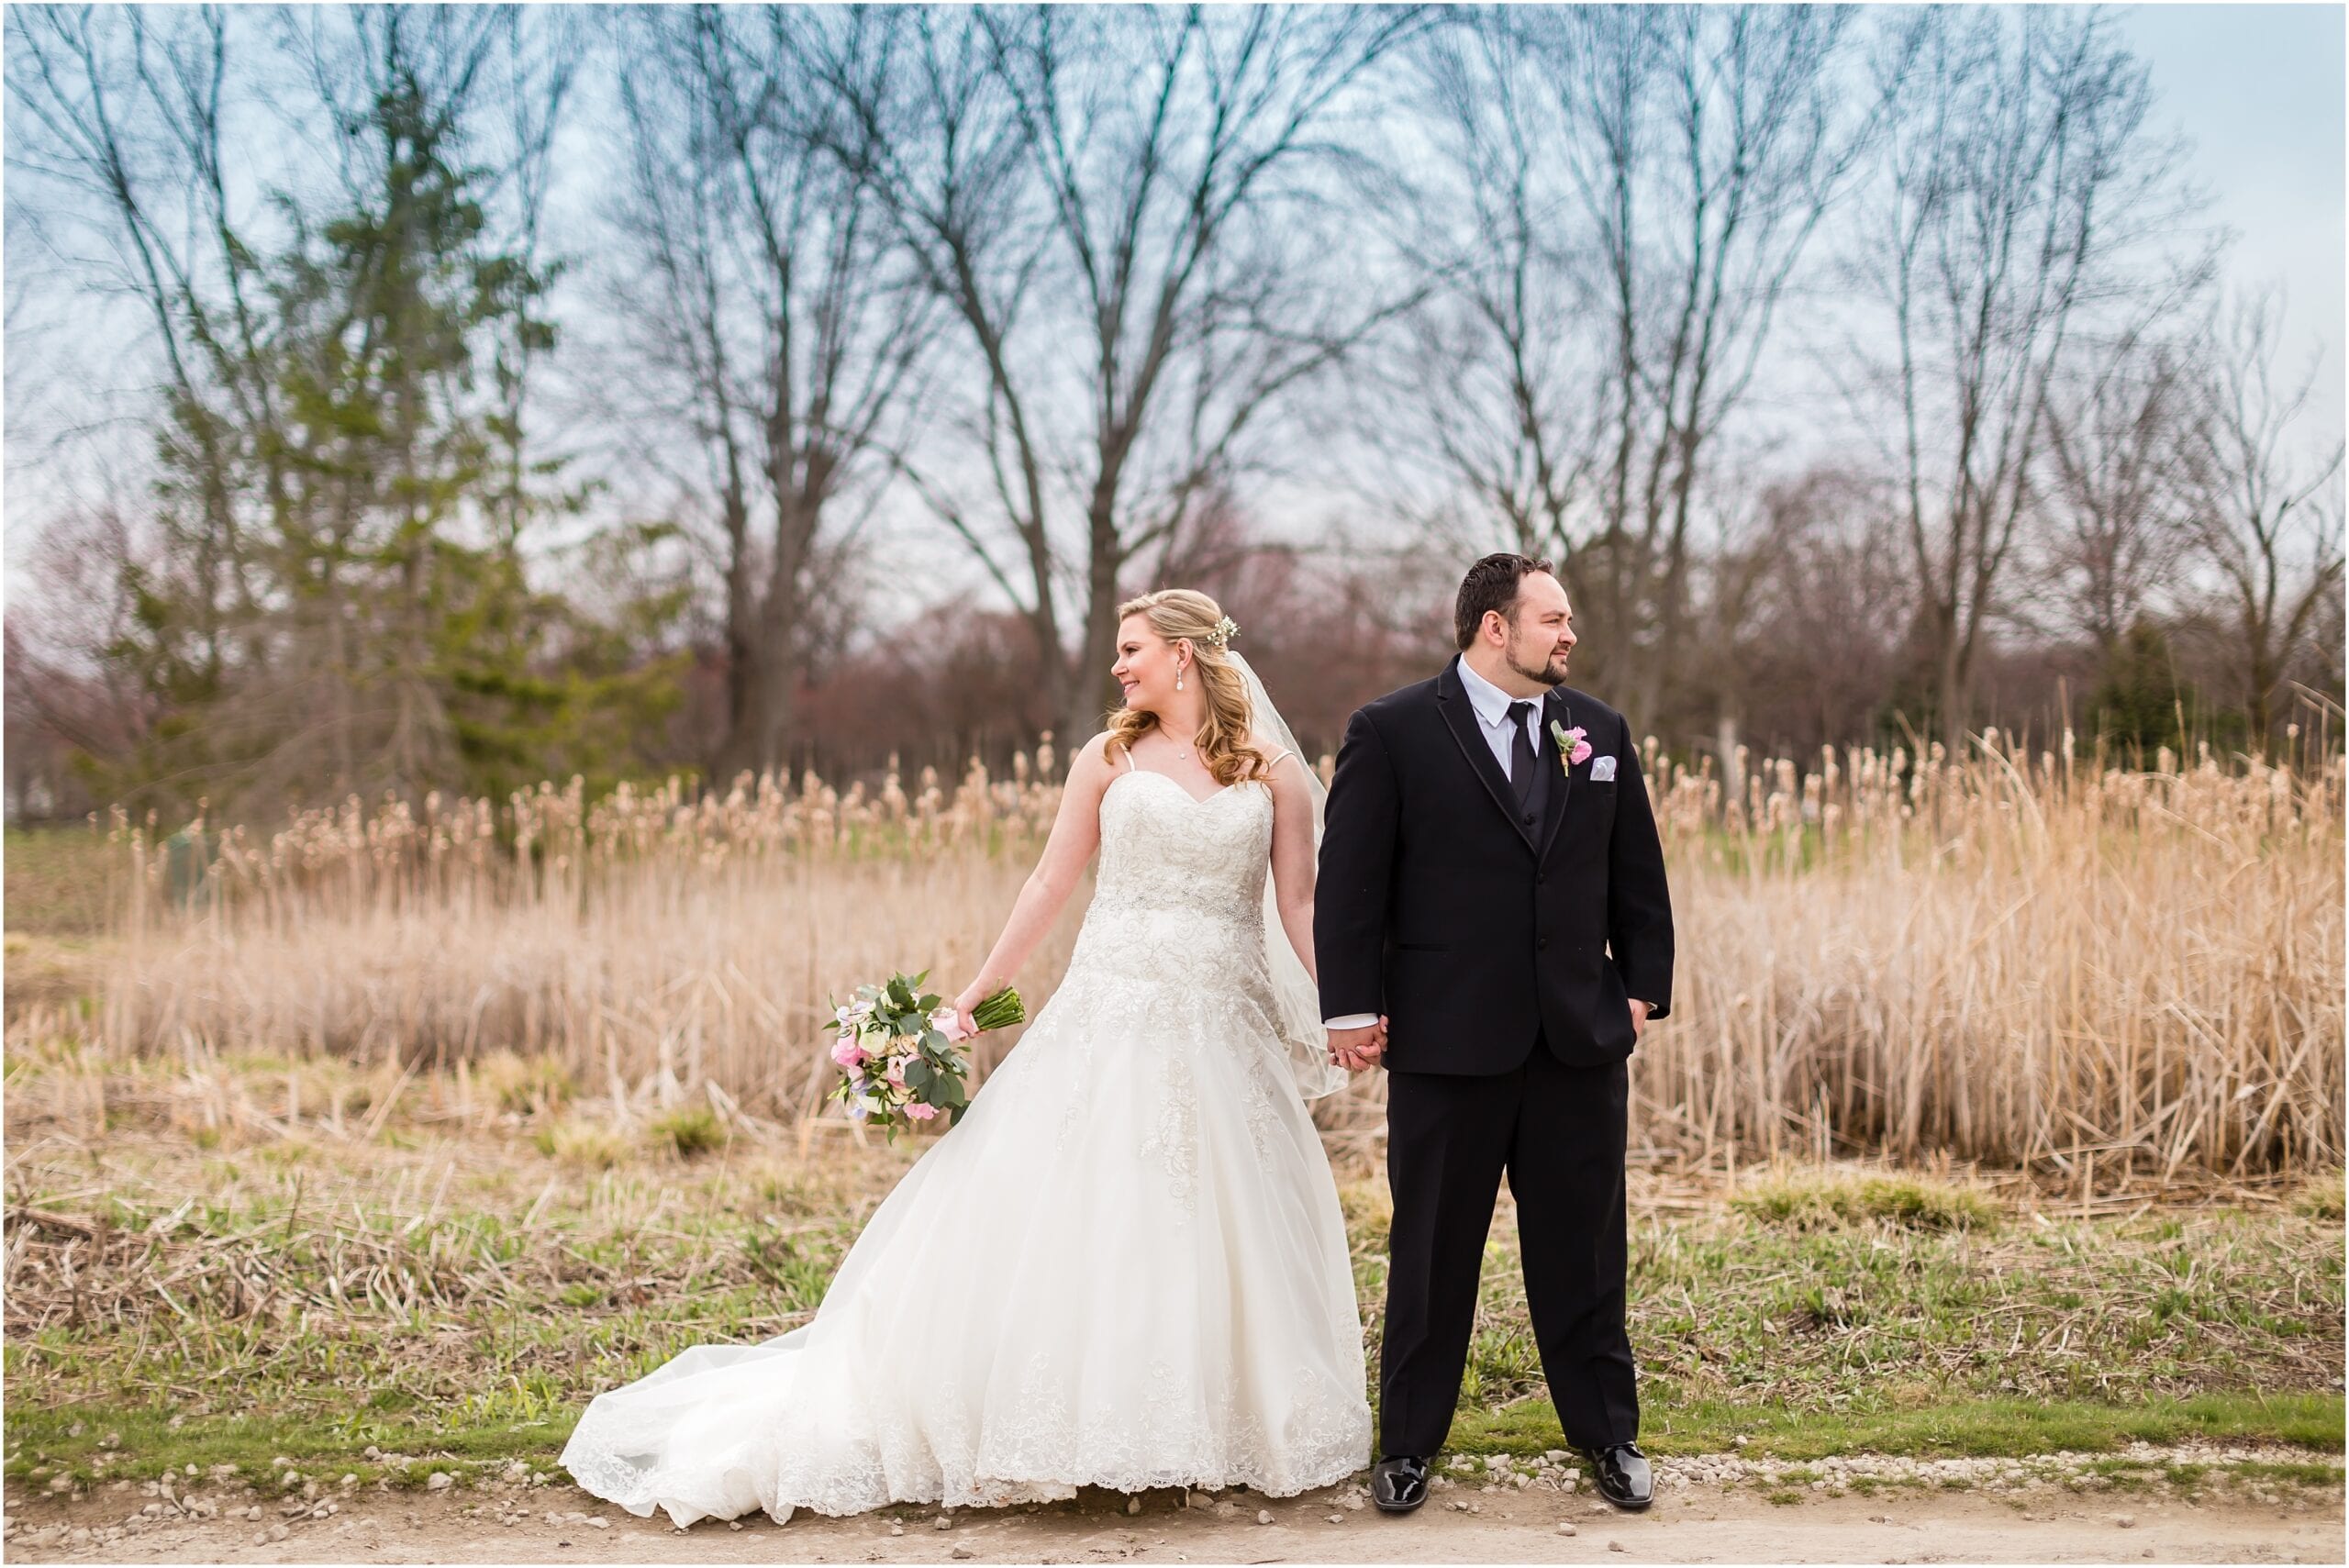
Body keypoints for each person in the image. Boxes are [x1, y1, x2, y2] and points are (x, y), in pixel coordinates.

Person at [559, 588, 1377, 1528]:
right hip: (1110, 1014)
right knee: (1098, 1212)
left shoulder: (1272, 771)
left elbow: (1299, 903)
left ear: (1183, 653)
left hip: (1221, 1028)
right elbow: (1048, 881)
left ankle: (1199, 1427)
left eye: (1132, 649)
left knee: (1210, 1224)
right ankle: (1073, 1428)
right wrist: (970, 1002)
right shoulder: (1107, 758)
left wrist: (1344, 1008)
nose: (1118, 666)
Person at [1315, 552, 1675, 1515]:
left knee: (1586, 1251)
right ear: (1494, 627)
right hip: (1447, 1040)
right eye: (1553, 619)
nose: (1569, 635)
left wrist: (1642, 989)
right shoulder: (1391, 730)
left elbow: (1636, 869)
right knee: (1432, 1252)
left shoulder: (1597, 729)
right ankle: (1408, 1443)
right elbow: (1350, 883)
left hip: (1576, 1040)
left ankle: (1608, 1433)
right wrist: (1349, 1005)